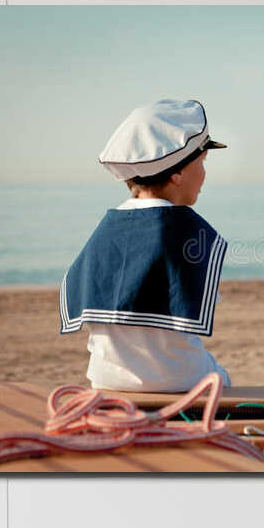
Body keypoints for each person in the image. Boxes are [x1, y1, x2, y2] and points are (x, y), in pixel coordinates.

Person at [59, 98, 232, 392]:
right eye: (201, 163)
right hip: (181, 381)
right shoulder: (189, 233)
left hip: (105, 379)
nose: (204, 174)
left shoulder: (104, 231)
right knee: (221, 377)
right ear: (177, 174)